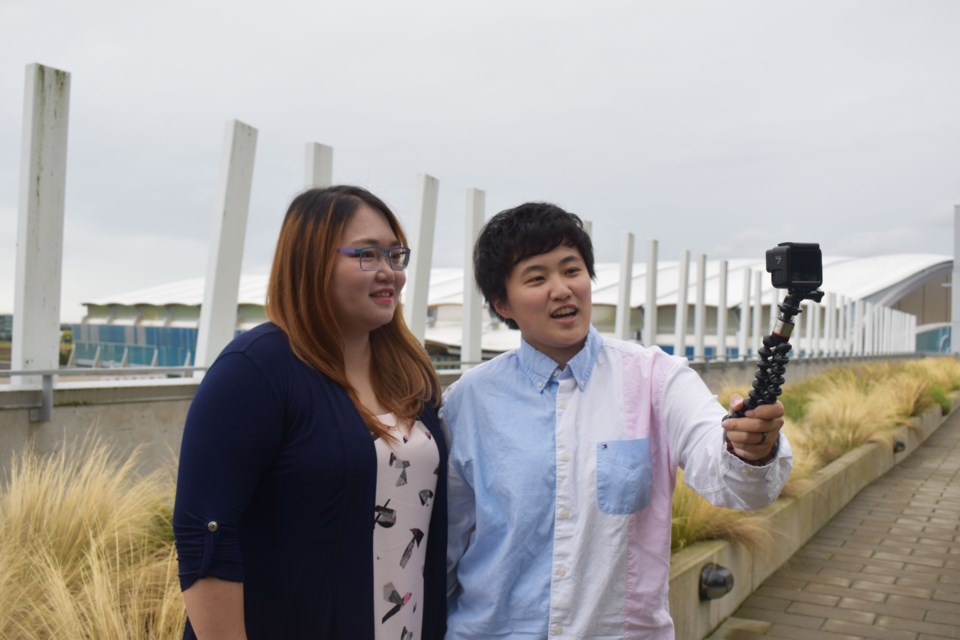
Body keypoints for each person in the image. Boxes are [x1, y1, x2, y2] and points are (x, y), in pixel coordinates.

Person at [442, 202, 792, 639]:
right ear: (502, 304)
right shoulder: (466, 403)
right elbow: (445, 543)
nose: (561, 289)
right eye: (536, 277)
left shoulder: (656, 378)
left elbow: (734, 480)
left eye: (571, 270)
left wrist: (751, 448)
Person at [173, 185, 447, 640]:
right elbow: (205, 535)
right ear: (311, 260)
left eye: (396, 256)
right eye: (366, 255)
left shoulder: (410, 372)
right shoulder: (256, 370)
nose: (389, 273)